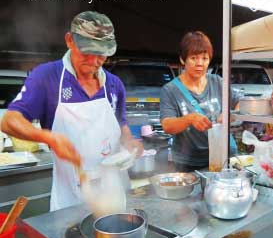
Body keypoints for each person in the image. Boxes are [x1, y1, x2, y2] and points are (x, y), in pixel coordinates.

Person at [1, 11, 142, 211]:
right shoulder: (47, 77)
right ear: (69, 40)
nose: (94, 61)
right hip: (70, 198)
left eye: (101, 54)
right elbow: (9, 121)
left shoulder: (114, 84)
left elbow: (121, 123)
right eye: (87, 52)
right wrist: (49, 138)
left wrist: (130, 142)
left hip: (112, 194)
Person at [160, 31, 239, 172]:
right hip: (189, 163)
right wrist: (190, 119)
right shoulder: (170, 89)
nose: (200, 64)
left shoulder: (218, 82)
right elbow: (167, 125)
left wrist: (229, 114)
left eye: (204, 58)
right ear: (183, 60)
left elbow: (239, 104)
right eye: (193, 58)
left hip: (222, 157)